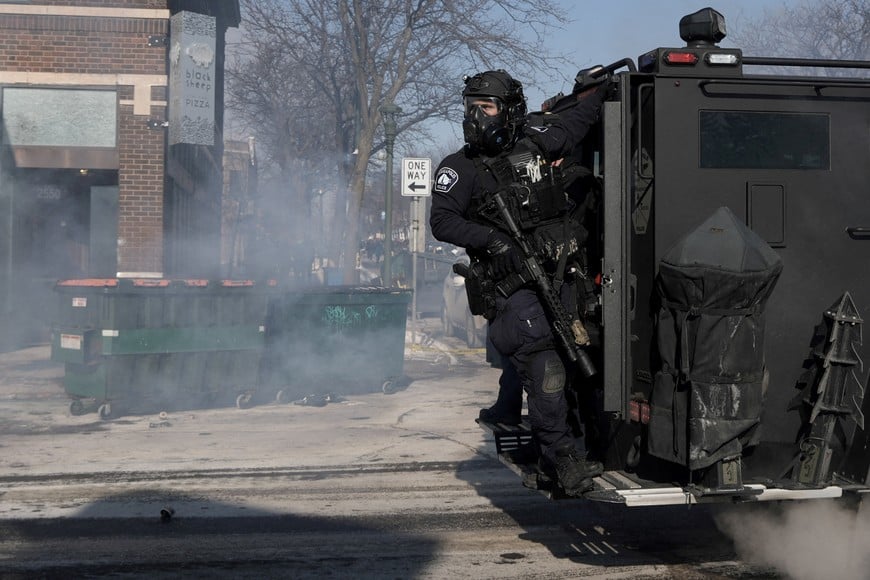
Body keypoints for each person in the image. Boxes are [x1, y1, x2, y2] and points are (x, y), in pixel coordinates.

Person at [429, 69, 607, 495]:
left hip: (562, 277)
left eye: (485, 107)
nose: (476, 116)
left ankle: (554, 451)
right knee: (545, 368)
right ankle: (562, 461)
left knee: (576, 363)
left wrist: (605, 93)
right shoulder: (460, 167)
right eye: (471, 107)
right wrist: (492, 240)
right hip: (515, 287)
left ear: (508, 112)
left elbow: (576, 124)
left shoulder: (537, 140)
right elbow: (441, 220)